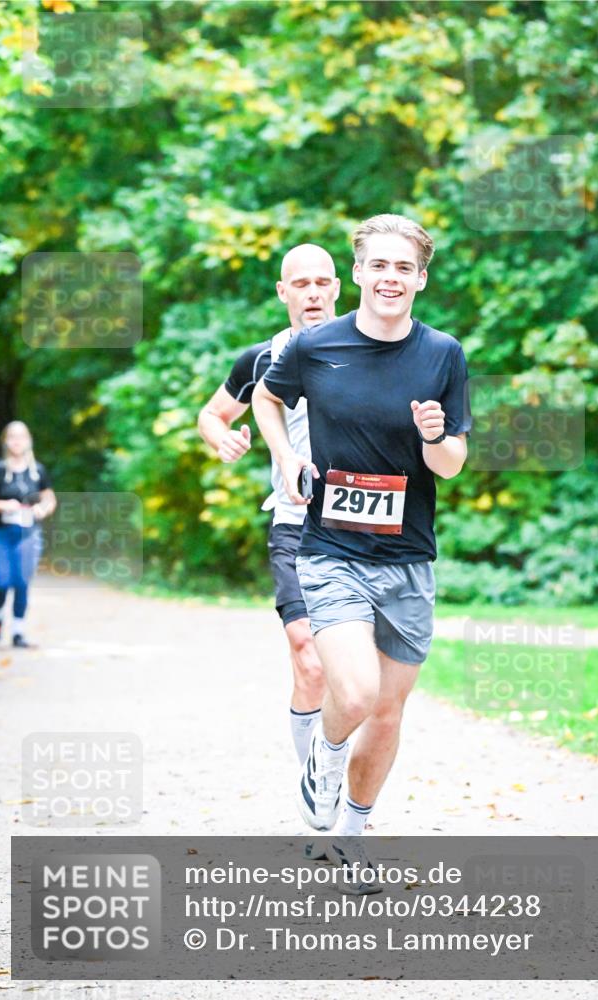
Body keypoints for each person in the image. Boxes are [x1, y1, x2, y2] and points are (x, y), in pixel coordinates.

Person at [253, 214, 471, 890]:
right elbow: (265, 395)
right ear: (359, 272)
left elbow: (452, 463)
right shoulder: (317, 346)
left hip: (408, 559)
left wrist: (435, 435)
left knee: (387, 712)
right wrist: (286, 454)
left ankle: (347, 838)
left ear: (420, 279)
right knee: (353, 690)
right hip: (331, 551)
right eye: (378, 265)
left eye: (402, 268)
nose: (389, 278)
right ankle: (322, 753)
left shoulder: (442, 355)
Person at [197, 244, 340, 766]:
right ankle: (313, 773)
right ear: (283, 293)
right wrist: (222, 438)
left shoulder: (365, 349)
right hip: (294, 524)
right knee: (309, 656)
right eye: (300, 284)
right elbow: (212, 415)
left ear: (338, 289)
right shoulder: (261, 357)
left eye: (322, 282)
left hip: (357, 527)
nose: (313, 293)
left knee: (355, 674)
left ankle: (342, 762)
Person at [0, 421, 56, 648]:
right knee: (0, 580)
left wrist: (43, 509)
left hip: (28, 533)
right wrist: (2, 505)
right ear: (6, 441)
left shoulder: (38, 470)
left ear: (28, 440)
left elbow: (49, 498)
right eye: (12, 436)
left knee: (21, 580)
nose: (17, 441)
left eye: (21, 436)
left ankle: (18, 632)